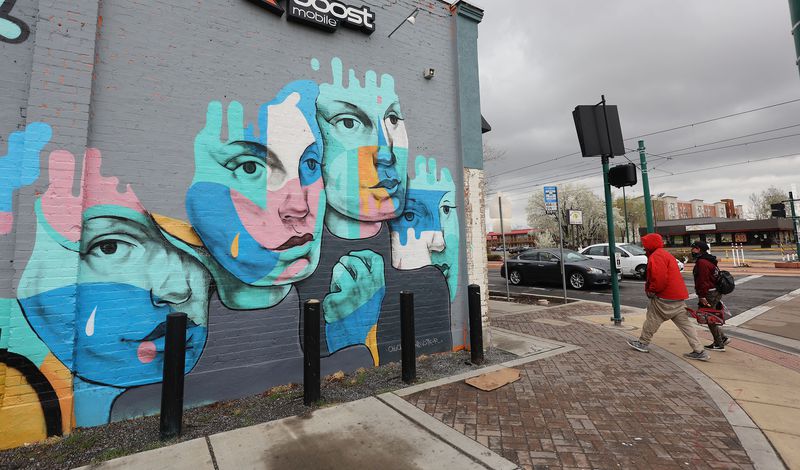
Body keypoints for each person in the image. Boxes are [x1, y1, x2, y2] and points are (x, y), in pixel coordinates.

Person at [627, 234, 709, 361]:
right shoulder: (665, 254)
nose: (643, 246)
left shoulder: (656, 256)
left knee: (652, 319)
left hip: (664, 297)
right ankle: (699, 350)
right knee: (686, 325)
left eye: (645, 244)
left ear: (651, 244)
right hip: (677, 296)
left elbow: (659, 279)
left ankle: (643, 342)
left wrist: (652, 291)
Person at [691, 241, 730, 351]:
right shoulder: (710, 260)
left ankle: (719, 343)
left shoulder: (702, 262)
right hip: (715, 291)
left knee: (708, 317)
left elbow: (703, 281)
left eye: (693, 248)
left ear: (698, 249)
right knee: (709, 315)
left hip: (709, 293)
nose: (692, 251)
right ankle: (722, 337)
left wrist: (702, 296)